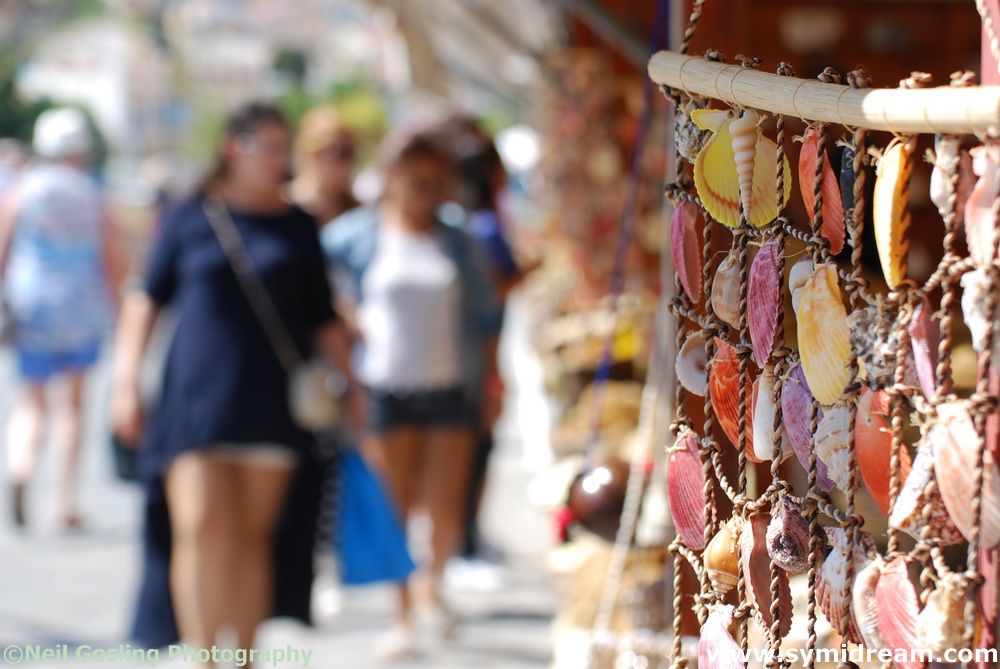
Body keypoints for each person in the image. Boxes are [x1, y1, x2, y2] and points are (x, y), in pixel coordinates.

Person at [110, 101, 362, 664]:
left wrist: (353, 387)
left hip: (273, 402)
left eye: (283, 148)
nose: (278, 159)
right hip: (195, 402)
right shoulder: (190, 215)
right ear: (232, 147)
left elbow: (322, 317)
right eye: (266, 147)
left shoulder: (297, 225)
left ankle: (243, 658)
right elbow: (146, 298)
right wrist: (126, 382)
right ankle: (204, 658)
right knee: (200, 527)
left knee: (252, 536)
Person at [322, 128, 502, 660]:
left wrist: (494, 381)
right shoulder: (357, 235)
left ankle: (432, 589)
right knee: (392, 505)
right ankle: (402, 615)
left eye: (432, 181)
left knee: (445, 506)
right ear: (391, 179)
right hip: (382, 387)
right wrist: (346, 318)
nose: (423, 192)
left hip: (451, 384)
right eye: (412, 180)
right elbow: (320, 288)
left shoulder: (458, 239)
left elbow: (486, 316)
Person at [0, 108, 121, 529]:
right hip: (81, 306)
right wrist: (119, 305)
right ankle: (64, 503)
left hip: (32, 304)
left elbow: (3, 246)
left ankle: (20, 466)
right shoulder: (92, 193)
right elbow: (111, 256)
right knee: (72, 406)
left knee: (30, 402)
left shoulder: (25, 189)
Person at [288, 105, 359, 225]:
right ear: (312, 153)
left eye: (349, 152)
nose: (346, 162)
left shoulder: (357, 212)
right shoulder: (283, 207)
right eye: (338, 151)